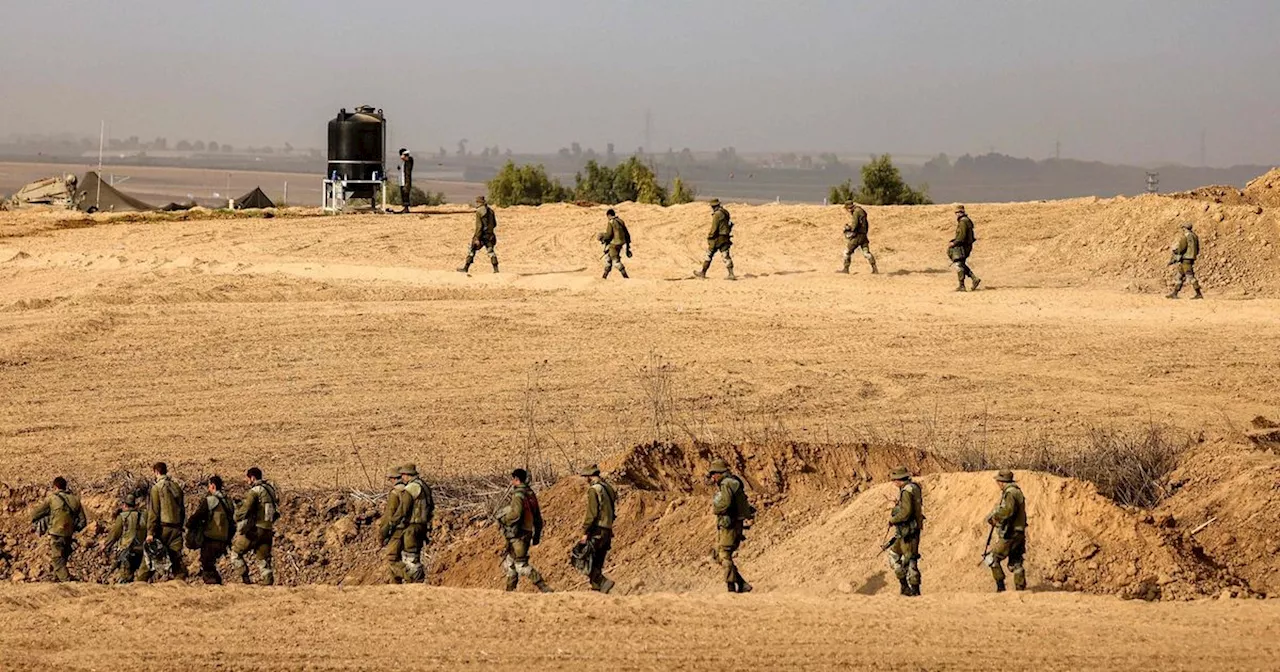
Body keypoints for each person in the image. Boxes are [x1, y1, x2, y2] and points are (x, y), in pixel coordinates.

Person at [496, 468, 552, 592]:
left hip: (519, 534)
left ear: (516, 479)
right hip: (527, 532)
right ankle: (510, 591)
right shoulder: (530, 493)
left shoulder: (518, 495)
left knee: (520, 565)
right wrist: (537, 534)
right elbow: (537, 516)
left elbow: (516, 514)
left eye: (512, 479)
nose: (511, 482)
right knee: (510, 562)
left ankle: (544, 588)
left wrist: (504, 519)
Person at [708, 458, 755, 593]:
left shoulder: (726, 484)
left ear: (719, 473)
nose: (712, 477)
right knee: (717, 554)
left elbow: (726, 503)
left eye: (713, 474)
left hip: (730, 526)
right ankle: (741, 583)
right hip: (730, 526)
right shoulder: (731, 483)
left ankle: (731, 588)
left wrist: (716, 508)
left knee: (724, 555)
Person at [29, 476, 86, 582]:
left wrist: (44, 520)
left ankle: (67, 580)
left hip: (56, 532)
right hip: (68, 533)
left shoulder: (52, 499)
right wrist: (74, 528)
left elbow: (35, 514)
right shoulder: (75, 500)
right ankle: (58, 579)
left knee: (57, 558)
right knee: (63, 556)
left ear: (55, 487)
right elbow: (83, 522)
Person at [231, 467, 279, 585]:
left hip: (255, 529)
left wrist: (237, 515)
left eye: (248, 479)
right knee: (263, 560)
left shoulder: (255, 491)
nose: (247, 482)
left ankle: (245, 580)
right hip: (268, 530)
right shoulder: (270, 490)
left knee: (235, 553)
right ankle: (268, 583)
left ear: (252, 478)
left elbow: (246, 509)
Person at [985, 469, 1028, 592]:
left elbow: (1008, 510)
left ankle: (1000, 588)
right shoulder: (1016, 491)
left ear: (1002, 482)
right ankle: (1021, 589)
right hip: (1019, 532)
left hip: (1010, 532)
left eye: (998, 481)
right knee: (1016, 563)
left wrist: (995, 517)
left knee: (992, 558)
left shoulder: (1010, 493)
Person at [186, 475, 234, 584]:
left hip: (211, 537)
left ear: (212, 486)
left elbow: (197, 516)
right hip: (224, 538)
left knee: (206, 563)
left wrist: (189, 526)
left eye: (209, 486)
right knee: (210, 563)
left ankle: (213, 584)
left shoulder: (210, 500)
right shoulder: (228, 502)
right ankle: (217, 582)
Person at [578, 464, 617, 593]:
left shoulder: (594, 490)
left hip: (597, 530)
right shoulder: (608, 488)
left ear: (589, 476)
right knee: (598, 561)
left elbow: (592, 514)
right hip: (607, 529)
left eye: (585, 477)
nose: (584, 480)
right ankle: (598, 590)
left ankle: (603, 582)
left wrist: (585, 532)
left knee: (584, 559)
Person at [886, 466, 925, 596]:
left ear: (898, 479)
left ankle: (909, 589)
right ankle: (909, 588)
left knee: (909, 560)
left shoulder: (906, 491)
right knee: (904, 556)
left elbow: (906, 512)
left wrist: (893, 519)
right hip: (911, 529)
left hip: (907, 530)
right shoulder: (914, 487)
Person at [146, 462, 188, 581]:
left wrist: (150, 532)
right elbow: (182, 510)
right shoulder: (176, 487)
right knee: (176, 561)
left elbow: (153, 512)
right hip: (177, 529)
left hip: (162, 529)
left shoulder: (156, 488)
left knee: (155, 561)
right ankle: (180, 585)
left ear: (156, 472)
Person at [398, 464, 435, 583]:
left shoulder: (412, 487)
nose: (402, 477)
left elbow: (403, 507)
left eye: (403, 475)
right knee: (415, 554)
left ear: (408, 475)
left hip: (412, 526)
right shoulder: (423, 485)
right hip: (422, 525)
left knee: (410, 556)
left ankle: (415, 581)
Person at [104, 494, 148, 583]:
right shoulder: (144, 515)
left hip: (127, 551)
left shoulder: (122, 517)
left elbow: (115, 534)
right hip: (142, 550)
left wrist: (106, 545)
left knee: (125, 578)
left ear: (124, 505)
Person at [378, 466, 410, 583]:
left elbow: (389, 516)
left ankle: (413, 579)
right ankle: (395, 587)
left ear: (393, 478)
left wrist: (382, 534)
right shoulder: (410, 490)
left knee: (392, 559)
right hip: (411, 529)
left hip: (398, 530)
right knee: (402, 558)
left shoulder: (395, 493)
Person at [696, 198, 736, 280]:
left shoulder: (717, 215)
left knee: (709, 254)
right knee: (725, 255)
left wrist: (710, 236)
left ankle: (703, 272)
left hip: (718, 237)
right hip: (726, 236)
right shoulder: (725, 212)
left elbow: (714, 228)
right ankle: (731, 274)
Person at [459, 196, 500, 273]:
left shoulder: (479, 211)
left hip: (481, 235)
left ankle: (466, 268)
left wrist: (476, 237)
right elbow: (494, 224)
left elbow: (479, 226)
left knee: (472, 250)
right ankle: (496, 269)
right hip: (490, 235)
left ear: (478, 202)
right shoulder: (491, 211)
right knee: (491, 251)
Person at [948, 205, 981, 291]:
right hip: (966, 245)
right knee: (961, 264)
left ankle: (962, 285)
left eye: (959, 212)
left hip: (963, 246)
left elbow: (962, 236)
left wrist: (954, 243)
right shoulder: (966, 221)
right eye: (956, 212)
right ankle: (974, 279)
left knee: (959, 264)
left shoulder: (963, 222)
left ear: (962, 212)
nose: (957, 214)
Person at [1167, 221, 1203, 299]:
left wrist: (1175, 251)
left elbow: (1182, 248)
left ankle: (1198, 294)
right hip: (1189, 259)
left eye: (1183, 228)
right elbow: (1197, 248)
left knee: (1190, 277)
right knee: (1179, 276)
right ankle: (1175, 293)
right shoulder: (1195, 236)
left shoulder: (1186, 237)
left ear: (1185, 228)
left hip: (1186, 259)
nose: (1182, 229)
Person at [839, 202, 878, 274]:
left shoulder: (856, 212)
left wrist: (849, 228)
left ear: (849, 207)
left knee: (847, 252)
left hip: (857, 236)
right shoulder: (860, 211)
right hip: (863, 235)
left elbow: (854, 225)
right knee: (866, 253)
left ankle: (846, 269)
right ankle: (874, 268)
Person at [598, 209, 632, 279]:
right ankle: (604, 276)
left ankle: (626, 277)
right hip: (621, 243)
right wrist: (628, 246)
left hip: (613, 244)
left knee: (616, 261)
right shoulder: (621, 221)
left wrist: (603, 238)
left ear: (609, 215)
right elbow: (627, 234)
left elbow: (609, 235)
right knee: (608, 258)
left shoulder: (611, 222)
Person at [397, 148, 415, 214]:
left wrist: (405, 155)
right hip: (402, 181)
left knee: (406, 194)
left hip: (406, 181)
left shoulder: (409, 161)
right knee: (403, 195)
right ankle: (405, 207)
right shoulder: (403, 163)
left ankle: (406, 208)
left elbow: (409, 159)